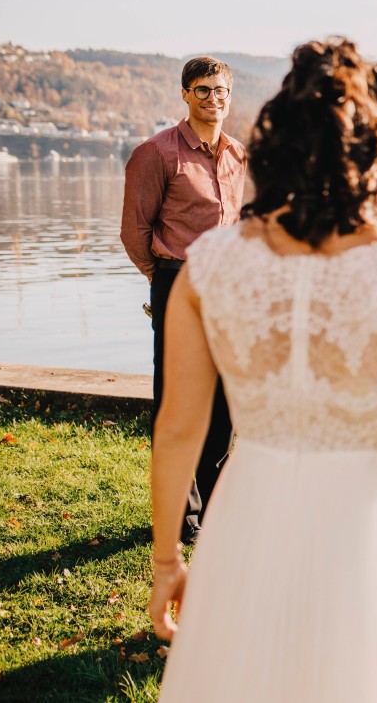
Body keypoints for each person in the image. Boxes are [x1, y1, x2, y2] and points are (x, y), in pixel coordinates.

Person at [147, 38, 377, 701]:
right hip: (369, 522)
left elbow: (178, 428)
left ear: (274, 142)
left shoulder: (210, 265)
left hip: (250, 507)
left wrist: (167, 560)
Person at [121, 56, 245, 544]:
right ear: (185, 95)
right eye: (203, 90)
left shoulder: (237, 154)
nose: (213, 98)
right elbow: (135, 230)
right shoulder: (156, 153)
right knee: (178, 401)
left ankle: (214, 506)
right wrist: (163, 280)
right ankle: (179, 513)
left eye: (221, 90)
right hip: (178, 282)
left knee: (224, 404)